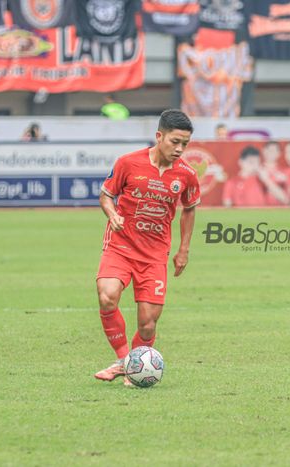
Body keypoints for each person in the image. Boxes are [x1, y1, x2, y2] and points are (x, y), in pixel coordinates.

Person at [94, 109, 201, 386]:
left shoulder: (187, 175)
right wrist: (112, 214)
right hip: (120, 246)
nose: (179, 149)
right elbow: (106, 195)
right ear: (159, 136)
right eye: (174, 142)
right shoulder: (128, 163)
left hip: (154, 254)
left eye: (185, 144)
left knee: (148, 322)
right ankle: (126, 360)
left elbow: (189, 210)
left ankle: (128, 367)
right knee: (107, 296)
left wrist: (184, 249)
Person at [259, 141, 289, 205]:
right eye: (268, 149)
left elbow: (286, 200)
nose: (270, 153)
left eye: (274, 150)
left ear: (279, 153)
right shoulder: (256, 171)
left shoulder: (285, 172)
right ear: (263, 151)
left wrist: (266, 180)